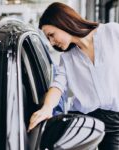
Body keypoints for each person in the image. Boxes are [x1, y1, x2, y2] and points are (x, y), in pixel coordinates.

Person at [28, 2, 119, 150]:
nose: (51, 42)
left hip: (115, 121)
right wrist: (47, 108)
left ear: (62, 22)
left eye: (51, 35)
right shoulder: (67, 58)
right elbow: (58, 86)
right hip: (82, 121)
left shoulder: (113, 32)